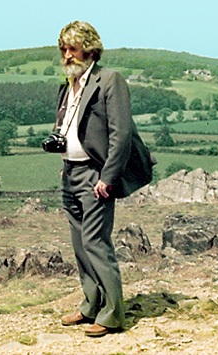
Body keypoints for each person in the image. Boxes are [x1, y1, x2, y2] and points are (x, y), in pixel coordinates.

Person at [52, 21, 155, 337]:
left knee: (95, 242)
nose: (68, 55)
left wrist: (108, 176)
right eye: (64, 49)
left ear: (90, 49)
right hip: (71, 172)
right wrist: (65, 159)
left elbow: (121, 134)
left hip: (97, 174)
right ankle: (90, 304)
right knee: (79, 245)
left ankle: (112, 315)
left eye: (74, 48)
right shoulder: (68, 83)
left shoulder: (109, 80)